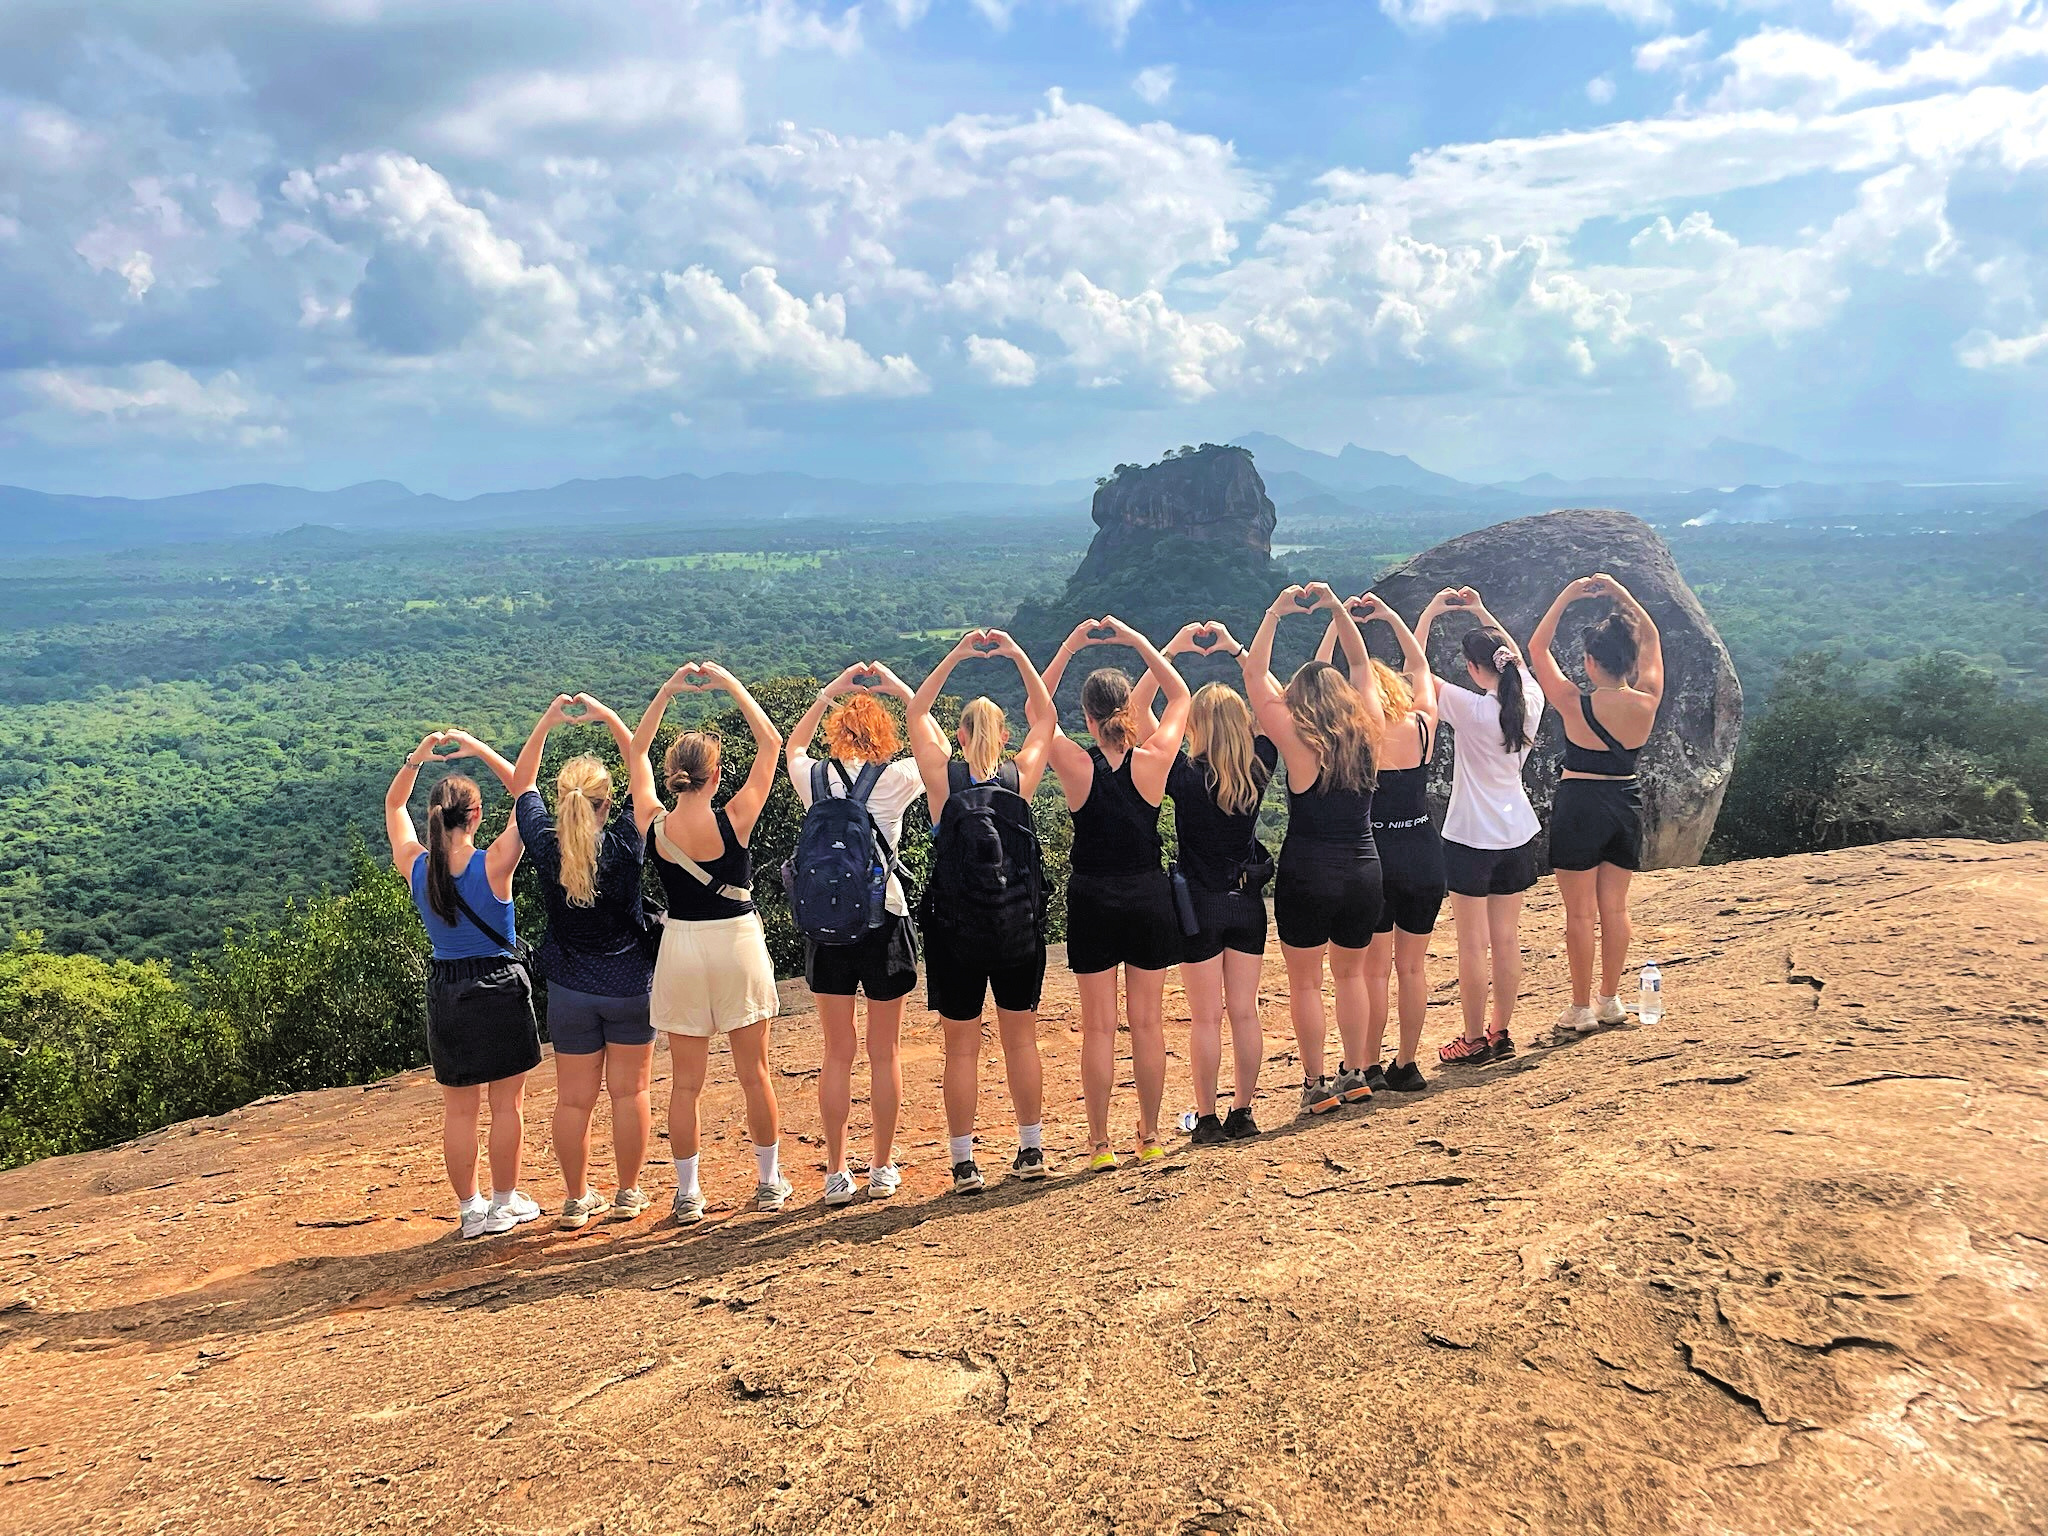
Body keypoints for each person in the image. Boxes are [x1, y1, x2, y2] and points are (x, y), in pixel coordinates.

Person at [634, 661, 789, 1220]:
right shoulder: (735, 818)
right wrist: (730, 685)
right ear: (716, 775)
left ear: (673, 774)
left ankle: (687, 1194)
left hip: (680, 945)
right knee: (755, 1074)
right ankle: (769, 1182)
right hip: (735, 941)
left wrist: (667, 691)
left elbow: (635, 752)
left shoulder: (653, 824)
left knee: (685, 1086)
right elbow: (770, 741)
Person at [1041, 615, 1195, 1170]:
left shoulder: (1078, 766)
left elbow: (1040, 710)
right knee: (1148, 1023)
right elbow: (1178, 694)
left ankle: (1100, 1144)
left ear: (1087, 715)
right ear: (1128, 712)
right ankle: (1149, 1135)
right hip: (1147, 897)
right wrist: (1136, 640)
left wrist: (1070, 642)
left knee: (1099, 1028)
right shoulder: (1153, 761)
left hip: (1091, 899)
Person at [907, 629, 1058, 1191]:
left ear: (962, 734)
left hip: (957, 934)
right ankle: (1032, 1147)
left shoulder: (943, 781)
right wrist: (1019, 653)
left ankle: (965, 1161)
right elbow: (1046, 715)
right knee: (1022, 1039)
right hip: (1017, 930)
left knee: (961, 1050)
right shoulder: (1022, 778)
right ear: (1003, 735)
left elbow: (917, 709)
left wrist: (959, 653)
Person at [506, 693, 660, 1229]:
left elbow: (521, 783)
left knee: (573, 1102)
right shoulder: (625, 842)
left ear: (563, 800)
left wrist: (547, 720)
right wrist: (612, 719)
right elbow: (642, 771)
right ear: (606, 803)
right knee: (630, 1092)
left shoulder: (546, 846)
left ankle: (575, 1199)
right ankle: (628, 1192)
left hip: (569, 988)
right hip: (628, 983)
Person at [384, 730, 542, 1240]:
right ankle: (502, 1204)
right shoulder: (495, 863)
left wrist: (416, 758)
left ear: (434, 815)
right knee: (506, 1106)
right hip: (497, 986)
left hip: (447, 991)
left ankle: (470, 1210)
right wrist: (477, 748)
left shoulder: (416, 866)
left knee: (459, 1110)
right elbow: (526, 791)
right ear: (475, 817)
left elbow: (394, 804)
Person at [785, 664, 928, 1205]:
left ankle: (835, 1172)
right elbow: (932, 744)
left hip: (826, 926)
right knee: (883, 1052)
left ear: (837, 731)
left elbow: (790, 747)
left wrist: (827, 691)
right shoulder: (894, 779)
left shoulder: (813, 778)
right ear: (883, 735)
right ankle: (882, 1167)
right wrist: (902, 691)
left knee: (837, 1052)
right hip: (883, 917)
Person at [1245, 583, 1385, 1116]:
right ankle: (1355, 1073)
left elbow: (1256, 677)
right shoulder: (1369, 731)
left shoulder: (1299, 743)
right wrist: (1335, 609)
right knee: (1351, 975)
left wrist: (1275, 610)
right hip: (1364, 867)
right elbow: (1362, 666)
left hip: (1308, 871)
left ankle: (1315, 1083)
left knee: (1305, 984)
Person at [1131, 623, 1272, 1142]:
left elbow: (1138, 711)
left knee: (1205, 1019)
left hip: (1198, 905)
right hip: (1248, 903)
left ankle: (1207, 1118)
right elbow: (1268, 698)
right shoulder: (1259, 766)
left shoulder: (1185, 774)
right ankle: (1244, 1113)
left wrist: (1171, 649)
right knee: (1244, 1013)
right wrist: (1238, 651)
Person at [1530, 573, 1665, 1033]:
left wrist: (1567, 594)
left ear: (1589, 661)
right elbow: (1650, 634)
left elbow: (1536, 649)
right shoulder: (1647, 700)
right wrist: (1621, 594)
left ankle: (1580, 1007)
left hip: (1580, 803)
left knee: (1580, 913)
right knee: (1615, 908)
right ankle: (1610, 999)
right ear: (1629, 661)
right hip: (1624, 801)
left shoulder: (1572, 701)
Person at [1416, 586, 1546, 1065]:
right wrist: (1481, 610)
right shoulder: (1529, 701)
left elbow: (1415, 670)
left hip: (1471, 838)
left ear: (1474, 669)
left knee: (1472, 944)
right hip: (1517, 834)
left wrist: (1430, 612)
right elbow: (1518, 665)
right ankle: (1500, 1032)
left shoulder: (1471, 711)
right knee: (1506, 938)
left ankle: (1472, 1040)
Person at [1319, 594, 1442, 1094]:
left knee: (1373, 969)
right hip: (1424, 851)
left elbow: (1318, 674)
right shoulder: (1422, 727)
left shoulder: (1358, 735)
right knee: (1412, 967)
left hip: (1377, 854)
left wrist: (1336, 621)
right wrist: (1392, 616)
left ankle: (1366, 1065)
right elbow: (1421, 667)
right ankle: (1407, 1063)